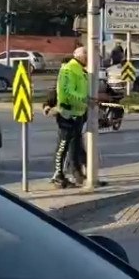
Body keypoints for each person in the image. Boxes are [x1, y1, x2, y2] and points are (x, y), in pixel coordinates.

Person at [50, 47, 89, 188]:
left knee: (74, 145)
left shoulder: (80, 70)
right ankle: (58, 176)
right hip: (67, 113)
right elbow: (66, 92)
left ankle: (76, 174)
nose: (88, 59)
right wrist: (85, 100)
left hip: (77, 114)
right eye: (87, 56)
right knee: (63, 145)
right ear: (81, 56)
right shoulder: (69, 69)